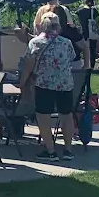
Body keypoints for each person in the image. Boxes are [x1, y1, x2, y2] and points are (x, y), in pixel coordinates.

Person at [24, 14, 79, 161]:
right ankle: (68, 150)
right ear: (58, 26)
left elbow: (29, 65)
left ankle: (50, 151)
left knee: (43, 118)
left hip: (44, 84)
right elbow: (72, 58)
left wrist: (22, 81)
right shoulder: (66, 42)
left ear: (42, 25)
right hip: (65, 85)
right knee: (66, 117)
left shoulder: (36, 43)